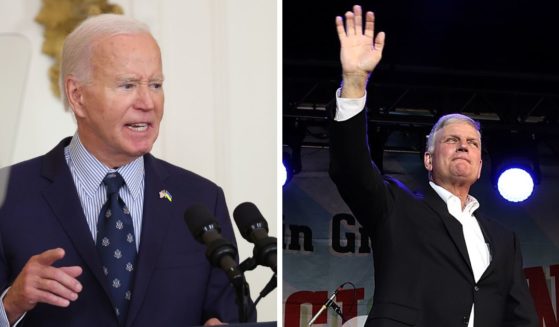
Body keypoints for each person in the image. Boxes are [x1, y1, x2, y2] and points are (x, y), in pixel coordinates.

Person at [0, 14, 245, 326]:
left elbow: (230, 312)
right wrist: (10, 304)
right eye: (127, 85)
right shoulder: (7, 194)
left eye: (155, 85)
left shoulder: (201, 201)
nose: (147, 102)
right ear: (77, 96)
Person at [329, 5, 538, 326]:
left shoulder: (504, 237)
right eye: (452, 139)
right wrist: (355, 82)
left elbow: (519, 314)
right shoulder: (395, 206)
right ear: (428, 158)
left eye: (472, 143)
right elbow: (351, 167)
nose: (463, 145)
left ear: (481, 166)